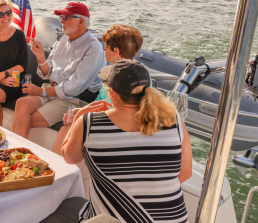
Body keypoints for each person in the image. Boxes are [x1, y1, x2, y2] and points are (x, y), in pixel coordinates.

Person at [61, 59, 191, 222]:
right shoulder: (174, 120)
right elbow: (186, 172)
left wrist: (79, 117)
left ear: (112, 93)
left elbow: (69, 157)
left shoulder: (89, 122)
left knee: (66, 205)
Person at [11, 2, 106, 138]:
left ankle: (18, 154)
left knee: (25, 120)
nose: (61, 21)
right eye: (61, 17)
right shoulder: (62, 40)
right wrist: (41, 57)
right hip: (51, 89)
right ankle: (17, 154)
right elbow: (47, 73)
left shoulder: (93, 48)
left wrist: (41, 91)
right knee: (22, 104)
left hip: (72, 99)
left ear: (81, 22)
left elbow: (74, 87)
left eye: (67, 17)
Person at [51, 24, 144, 154]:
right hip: (111, 121)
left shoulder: (124, 77)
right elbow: (101, 101)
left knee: (65, 132)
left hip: (118, 130)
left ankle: (57, 172)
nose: (103, 49)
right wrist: (81, 111)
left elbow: (118, 113)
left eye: (105, 47)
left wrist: (81, 116)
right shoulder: (137, 72)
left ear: (115, 51)